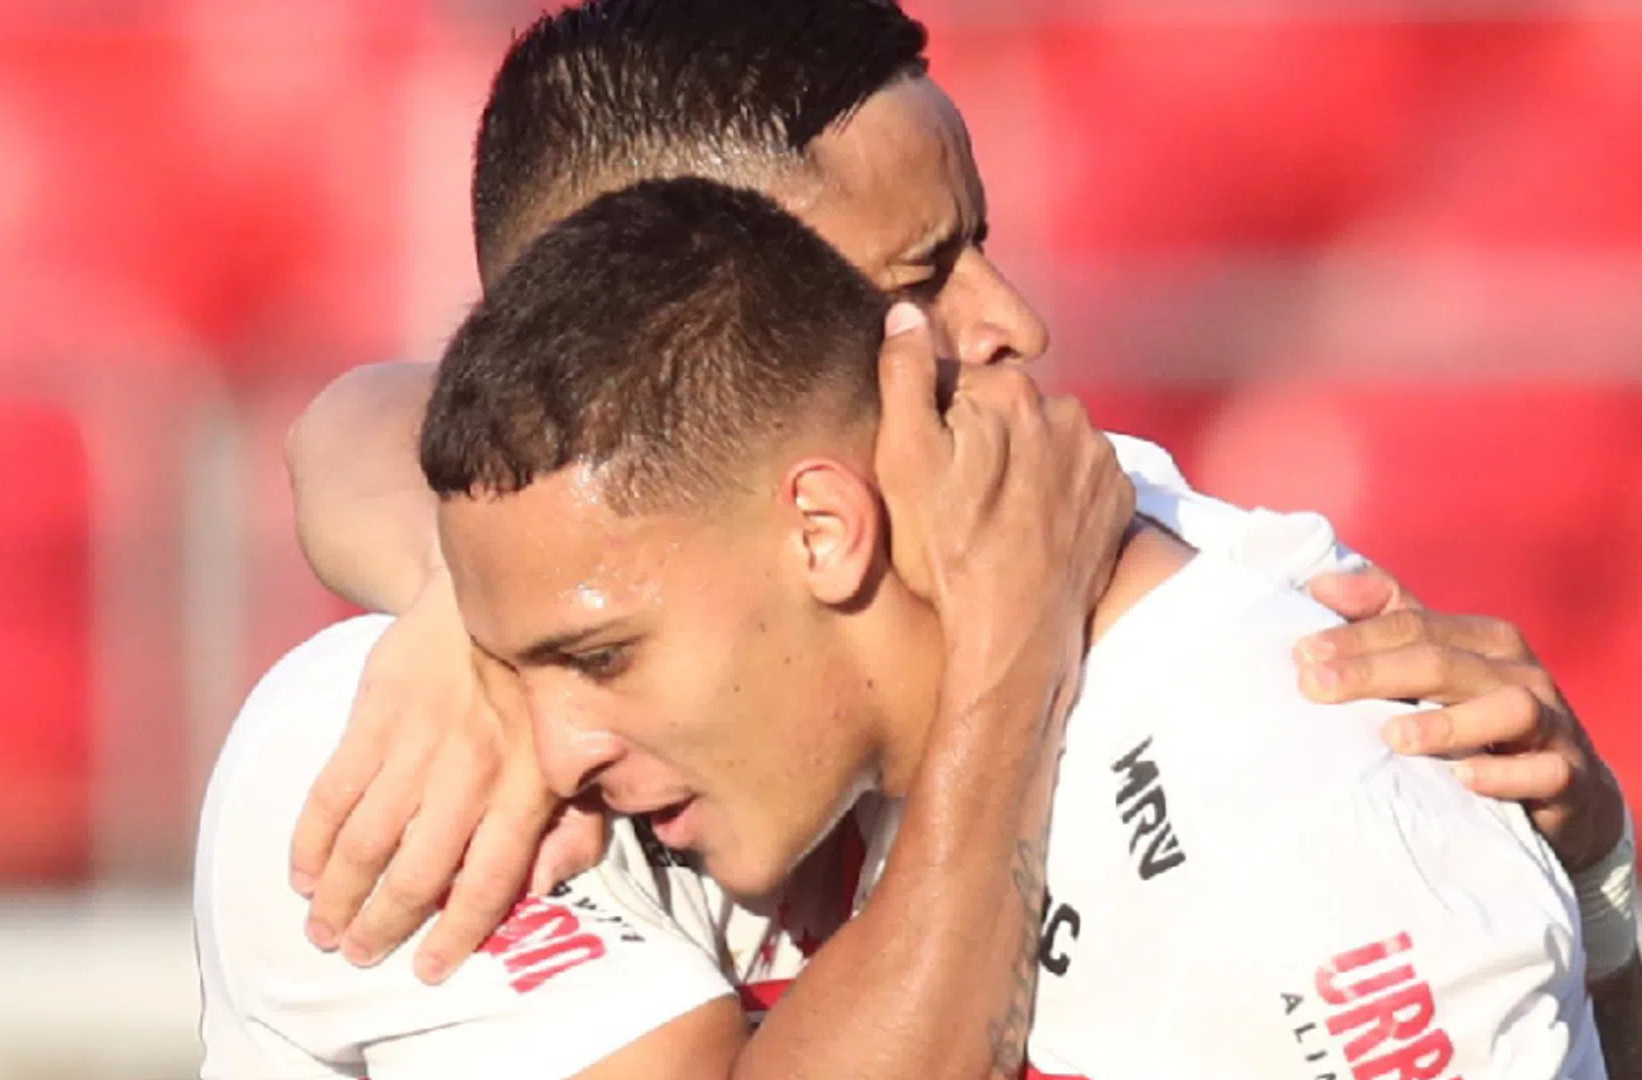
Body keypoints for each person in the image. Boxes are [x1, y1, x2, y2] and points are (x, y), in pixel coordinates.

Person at [276, 0, 1635, 998]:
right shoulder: (397, 765)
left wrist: (1598, 899)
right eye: (919, 280)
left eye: (981, 247)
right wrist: (461, 606)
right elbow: (353, 428)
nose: (1017, 327)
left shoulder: (1229, 664)